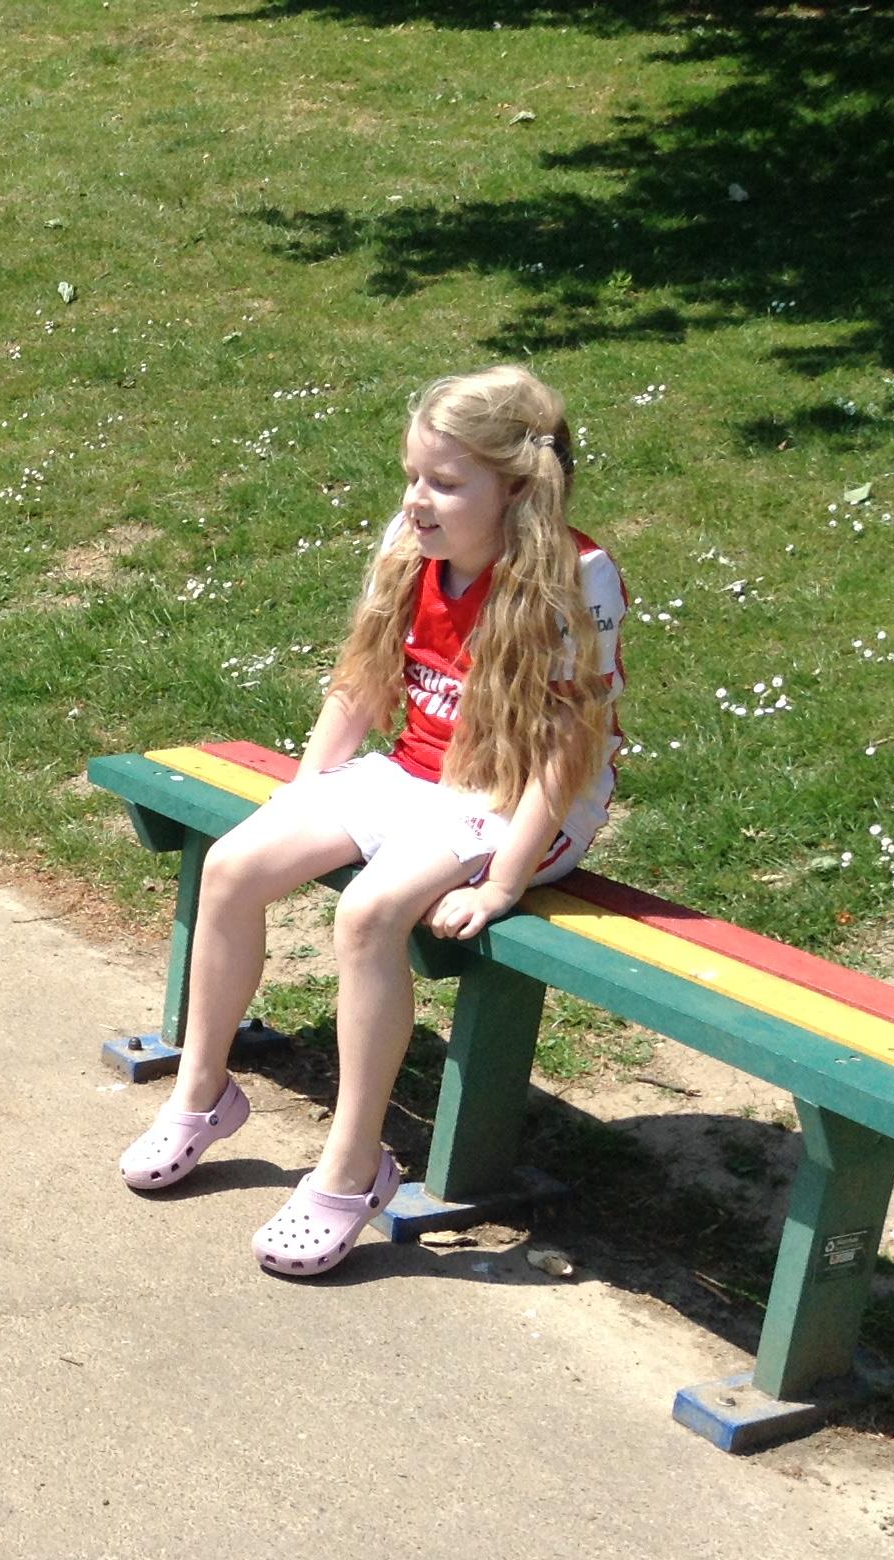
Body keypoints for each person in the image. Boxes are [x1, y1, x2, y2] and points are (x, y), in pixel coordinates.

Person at [117, 365, 627, 1277]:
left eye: (445, 483)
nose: (416, 499)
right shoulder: (412, 543)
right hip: (415, 772)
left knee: (368, 914)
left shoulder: (576, 578)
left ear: (517, 489)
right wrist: (306, 792)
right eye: (412, 476)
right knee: (233, 865)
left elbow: (563, 752)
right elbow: (362, 679)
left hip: (516, 802)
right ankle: (202, 1092)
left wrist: (505, 884)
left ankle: (353, 1168)